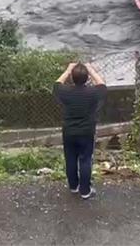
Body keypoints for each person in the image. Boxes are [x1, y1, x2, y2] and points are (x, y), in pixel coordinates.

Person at [53, 62, 107, 199]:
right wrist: (90, 69)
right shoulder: (93, 93)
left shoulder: (65, 92)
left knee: (70, 159)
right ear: (87, 78)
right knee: (85, 160)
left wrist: (68, 69)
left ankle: (73, 186)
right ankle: (85, 191)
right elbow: (102, 84)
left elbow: (57, 84)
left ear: (72, 78)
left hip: (69, 132)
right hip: (87, 132)